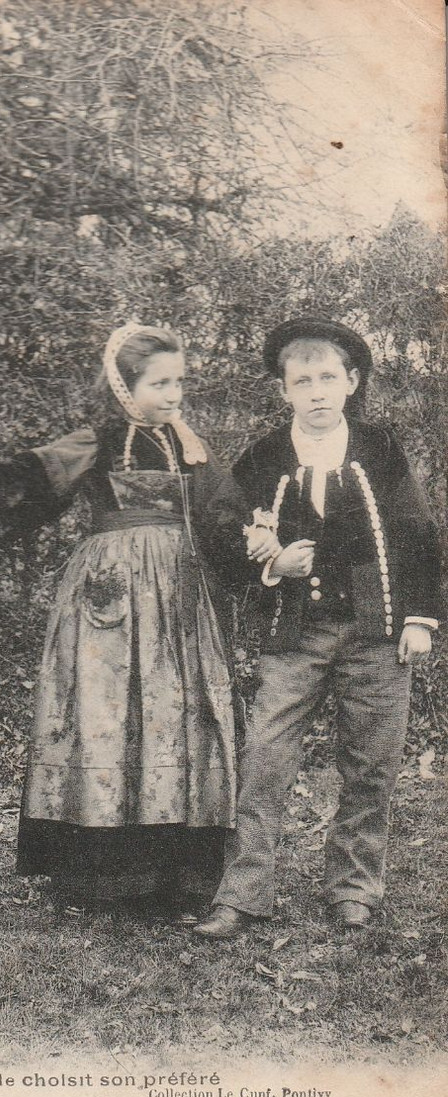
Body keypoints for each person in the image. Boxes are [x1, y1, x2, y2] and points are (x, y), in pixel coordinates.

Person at [0, 323, 277, 916]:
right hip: (108, 599)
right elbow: (30, 477)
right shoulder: (100, 441)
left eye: (179, 382)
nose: (172, 395)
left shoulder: (193, 448)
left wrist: (258, 542)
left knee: (178, 715)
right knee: (106, 718)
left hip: (182, 603)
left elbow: (226, 516)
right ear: (125, 385)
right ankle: (106, 876)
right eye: (158, 383)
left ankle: (183, 874)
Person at [192, 316, 442, 939]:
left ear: (352, 381)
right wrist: (272, 563)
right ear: (284, 390)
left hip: (378, 633)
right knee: (267, 759)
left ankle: (353, 887)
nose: (318, 392)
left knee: (370, 762)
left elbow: (416, 531)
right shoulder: (265, 456)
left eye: (329, 377)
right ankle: (244, 891)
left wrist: (419, 618)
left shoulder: (380, 447)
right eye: (302, 381)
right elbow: (223, 537)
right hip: (294, 635)